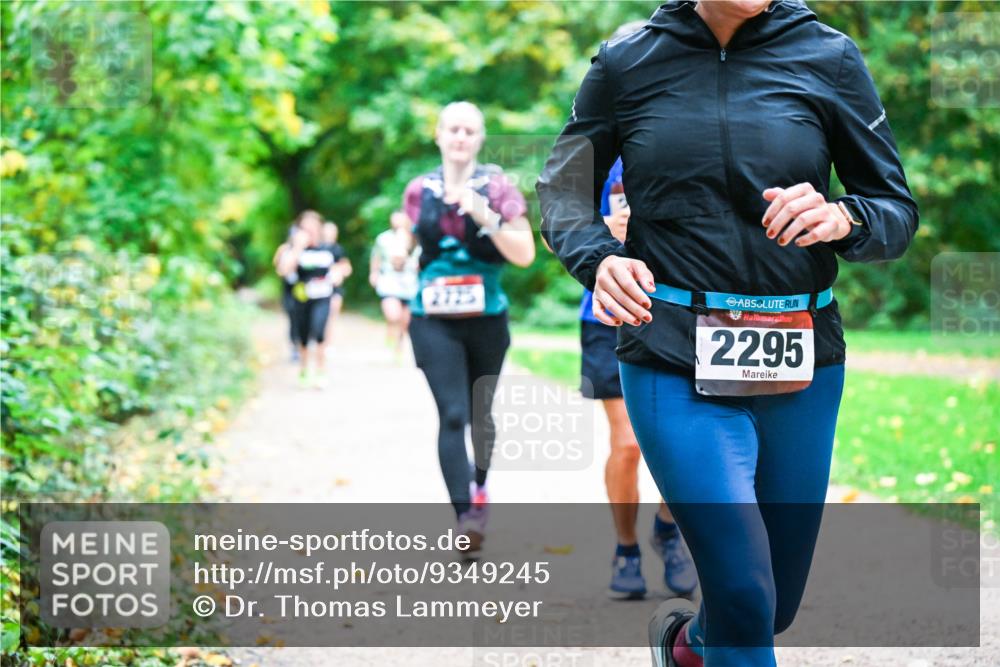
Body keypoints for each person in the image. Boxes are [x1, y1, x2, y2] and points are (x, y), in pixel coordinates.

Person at [538, 1, 917, 665]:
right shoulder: (628, 61)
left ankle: (689, 649)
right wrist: (598, 258)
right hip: (671, 352)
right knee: (743, 589)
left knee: (772, 604)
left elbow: (894, 209)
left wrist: (843, 217)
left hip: (802, 359)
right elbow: (564, 189)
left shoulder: (828, 56)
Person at [404, 101, 535, 554]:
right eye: (453, 129)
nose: (460, 137)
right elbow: (409, 247)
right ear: (438, 135)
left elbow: (524, 254)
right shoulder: (418, 190)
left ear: (479, 139)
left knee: (481, 414)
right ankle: (466, 518)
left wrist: (485, 215)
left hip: (487, 320)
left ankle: (480, 487)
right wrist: (398, 253)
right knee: (453, 414)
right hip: (432, 320)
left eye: (469, 131)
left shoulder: (498, 187)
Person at [583, 154, 698, 601]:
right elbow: (556, 231)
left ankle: (667, 529)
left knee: (682, 442)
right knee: (628, 444)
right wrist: (603, 230)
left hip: (679, 312)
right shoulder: (594, 150)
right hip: (607, 315)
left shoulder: (683, 141)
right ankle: (626, 547)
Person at [277, 212, 352, 389]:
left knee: (320, 331)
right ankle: (303, 369)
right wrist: (298, 248)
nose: (310, 230)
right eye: (306, 227)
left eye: (313, 226)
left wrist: (339, 273)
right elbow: (283, 270)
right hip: (301, 298)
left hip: (323, 296)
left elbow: (345, 266)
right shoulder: (292, 249)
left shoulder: (329, 249)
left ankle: (320, 371)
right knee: (303, 336)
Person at [369, 210, 420, 359]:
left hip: (410, 284)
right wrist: (374, 273)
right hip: (389, 282)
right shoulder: (383, 238)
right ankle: (391, 330)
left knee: (406, 320)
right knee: (393, 315)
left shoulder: (416, 238)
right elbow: (376, 257)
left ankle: (398, 347)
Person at [273, 216, 304, 362]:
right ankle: (294, 347)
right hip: (289, 288)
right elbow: (279, 269)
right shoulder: (284, 249)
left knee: (303, 317)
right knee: (292, 317)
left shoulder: (307, 250)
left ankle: (303, 345)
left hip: (303, 288)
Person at [321, 221, 351, 346]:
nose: (331, 234)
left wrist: (340, 272)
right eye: (328, 230)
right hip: (319, 289)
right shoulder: (317, 247)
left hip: (335, 288)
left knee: (332, 316)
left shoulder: (339, 249)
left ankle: (327, 343)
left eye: (333, 231)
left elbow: (347, 268)